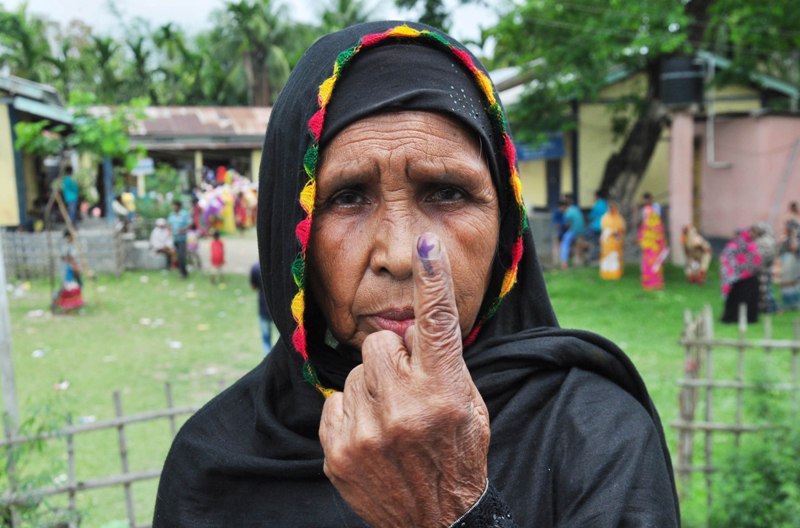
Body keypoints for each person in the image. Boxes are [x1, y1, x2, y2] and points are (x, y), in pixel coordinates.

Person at [153, 21, 679, 527]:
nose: (401, 255)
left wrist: (451, 511)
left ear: (507, 227)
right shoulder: (214, 466)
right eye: (348, 197)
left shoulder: (595, 437)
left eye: (448, 192)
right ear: (291, 233)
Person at [720, 227, 762, 323]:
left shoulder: (732, 246)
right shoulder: (752, 246)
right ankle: (750, 318)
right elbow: (757, 261)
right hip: (751, 278)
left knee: (736, 301)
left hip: (737, 280)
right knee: (749, 300)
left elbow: (727, 261)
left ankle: (733, 318)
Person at [637, 203, 668, 290]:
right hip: (651, 250)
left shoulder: (653, 224)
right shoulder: (653, 224)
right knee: (653, 267)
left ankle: (652, 284)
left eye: (646, 214)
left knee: (653, 266)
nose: (645, 216)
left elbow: (641, 236)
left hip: (653, 250)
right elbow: (641, 236)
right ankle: (653, 284)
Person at [53, 230, 84, 312]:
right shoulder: (65, 246)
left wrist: (76, 265)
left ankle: (76, 303)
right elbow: (65, 257)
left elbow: (76, 257)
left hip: (74, 267)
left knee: (79, 285)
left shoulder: (76, 244)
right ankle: (62, 303)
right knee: (67, 287)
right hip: (69, 268)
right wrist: (70, 262)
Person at [750, 222, 778, 313]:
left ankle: (772, 309)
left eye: (754, 231)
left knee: (766, 291)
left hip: (764, 270)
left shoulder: (765, 241)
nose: (752, 234)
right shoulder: (761, 240)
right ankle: (765, 308)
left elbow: (765, 256)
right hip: (761, 269)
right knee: (763, 290)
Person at [250, 262, 273, 355]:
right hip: (276, 311)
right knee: (282, 339)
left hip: (263, 307)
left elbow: (253, 286)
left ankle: (267, 361)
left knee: (266, 339)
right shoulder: (275, 267)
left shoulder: (255, 268)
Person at [599, 201, 626, 280]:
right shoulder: (604, 217)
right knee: (607, 258)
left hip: (616, 242)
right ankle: (606, 274)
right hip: (607, 241)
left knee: (615, 258)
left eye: (613, 208)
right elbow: (603, 229)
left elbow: (623, 228)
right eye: (610, 208)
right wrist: (610, 232)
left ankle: (615, 274)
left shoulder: (619, 218)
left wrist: (617, 232)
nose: (611, 210)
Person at [558, 195, 586, 269]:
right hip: (581, 231)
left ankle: (564, 262)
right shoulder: (575, 209)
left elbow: (568, 225)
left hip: (574, 231)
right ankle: (577, 262)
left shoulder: (567, 213)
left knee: (564, 241)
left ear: (563, 207)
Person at [167, 199, 190, 278]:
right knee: (177, 256)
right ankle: (183, 271)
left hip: (182, 239)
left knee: (181, 256)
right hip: (175, 239)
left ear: (179, 206)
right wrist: (169, 231)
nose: (174, 207)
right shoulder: (171, 215)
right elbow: (169, 224)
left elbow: (189, 223)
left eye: (175, 206)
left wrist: (183, 230)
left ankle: (182, 273)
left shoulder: (184, 214)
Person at [586, 189, 608, 263]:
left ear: (597, 196)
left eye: (594, 196)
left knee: (589, 237)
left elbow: (591, 216)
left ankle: (593, 257)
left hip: (596, 227)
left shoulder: (597, 204)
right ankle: (597, 255)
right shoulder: (605, 203)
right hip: (604, 226)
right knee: (599, 242)